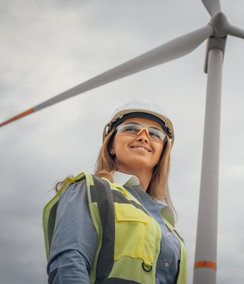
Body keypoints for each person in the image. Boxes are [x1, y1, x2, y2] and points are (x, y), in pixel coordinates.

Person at [43, 99, 187, 284]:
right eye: (131, 128)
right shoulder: (89, 190)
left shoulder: (167, 224)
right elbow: (68, 266)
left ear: (162, 153)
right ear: (111, 145)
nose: (143, 137)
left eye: (154, 134)